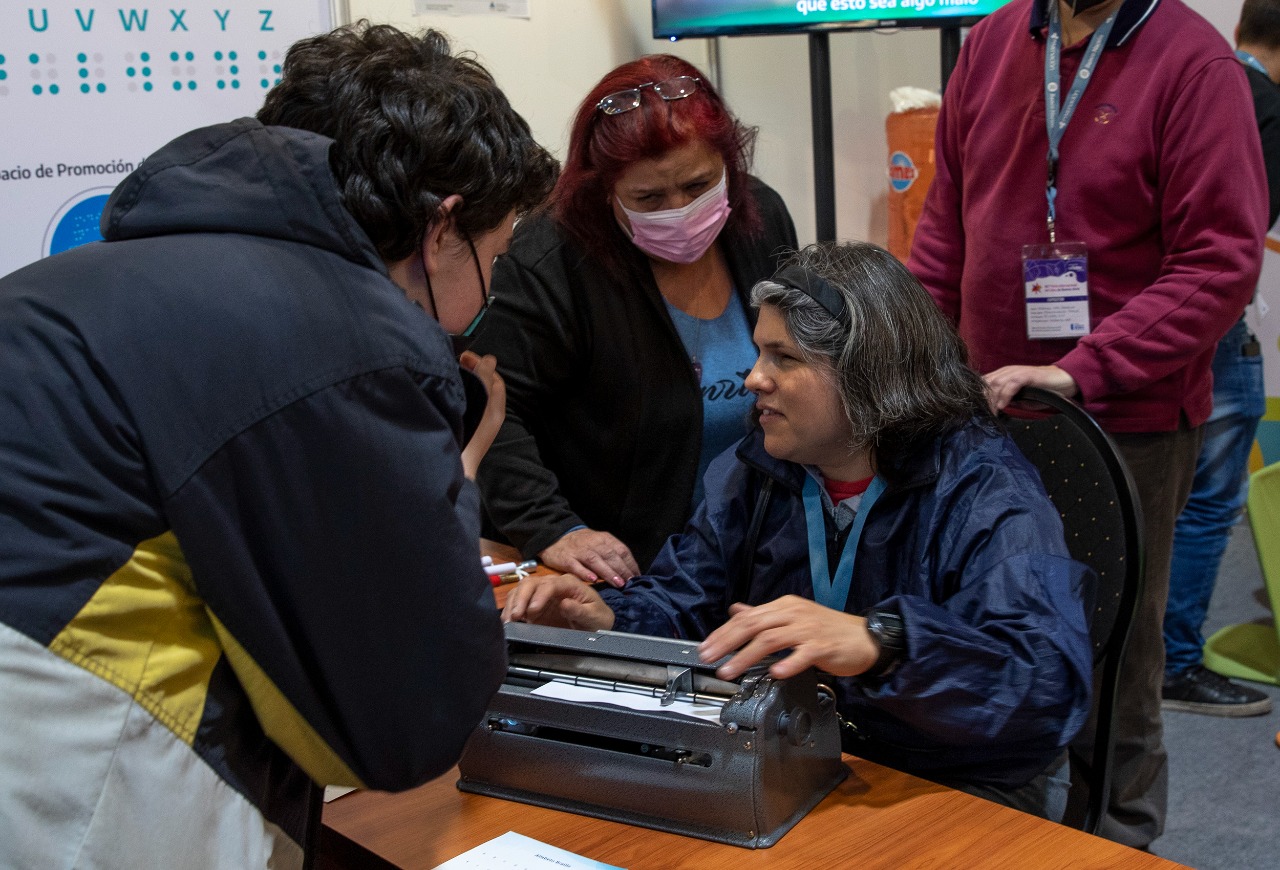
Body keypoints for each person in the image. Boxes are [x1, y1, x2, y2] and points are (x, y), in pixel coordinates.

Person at [0, 22, 557, 868]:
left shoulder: (70, 286)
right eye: (498, 253)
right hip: (81, 779)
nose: (493, 284)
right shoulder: (347, 337)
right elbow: (407, 713)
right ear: (443, 229)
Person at [503, 242, 1094, 821]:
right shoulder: (754, 466)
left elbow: (1045, 683)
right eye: (759, 353)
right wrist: (609, 619)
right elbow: (691, 597)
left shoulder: (983, 490)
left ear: (868, 373)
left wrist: (882, 644)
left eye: (784, 357)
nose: (753, 378)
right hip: (799, 751)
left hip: (954, 779)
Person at [906, 0, 1268, 847]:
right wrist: (919, 365)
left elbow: (1220, 260)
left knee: (1113, 657)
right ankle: (1008, 836)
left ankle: (1118, 843)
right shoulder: (993, 43)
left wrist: (1081, 369)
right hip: (989, 410)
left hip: (1123, 420)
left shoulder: (1195, 63)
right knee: (993, 636)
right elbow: (944, 233)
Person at [471, 54, 797, 586]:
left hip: (753, 550)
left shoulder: (760, 219)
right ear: (604, 190)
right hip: (623, 568)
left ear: (730, 164)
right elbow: (493, 412)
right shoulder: (547, 262)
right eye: (648, 198)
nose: (680, 211)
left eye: (697, 186)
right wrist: (553, 528)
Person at [1162, 0, 1280, 718]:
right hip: (1207, 326)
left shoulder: (1174, 73)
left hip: (1127, 327)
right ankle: (1173, 661)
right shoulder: (1259, 101)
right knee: (1208, 502)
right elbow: (1242, 230)